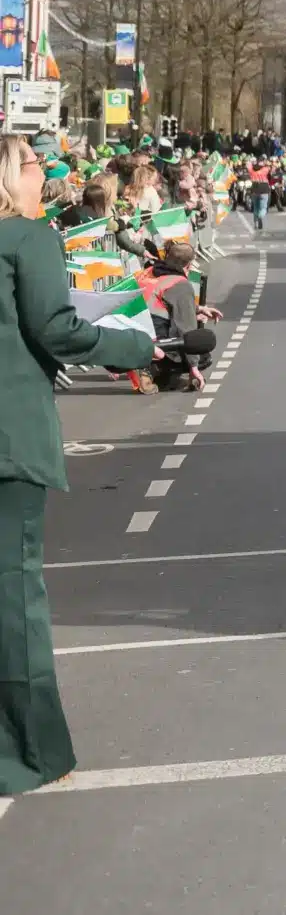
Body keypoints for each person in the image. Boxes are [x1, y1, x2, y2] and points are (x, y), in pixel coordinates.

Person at [2, 133, 165, 794]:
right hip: (11, 439)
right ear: (10, 177)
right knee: (16, 599)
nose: (45, 173)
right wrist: (137, 347)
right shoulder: (28, 238)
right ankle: (32, 754)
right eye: (34, 163)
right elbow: (57, 328)